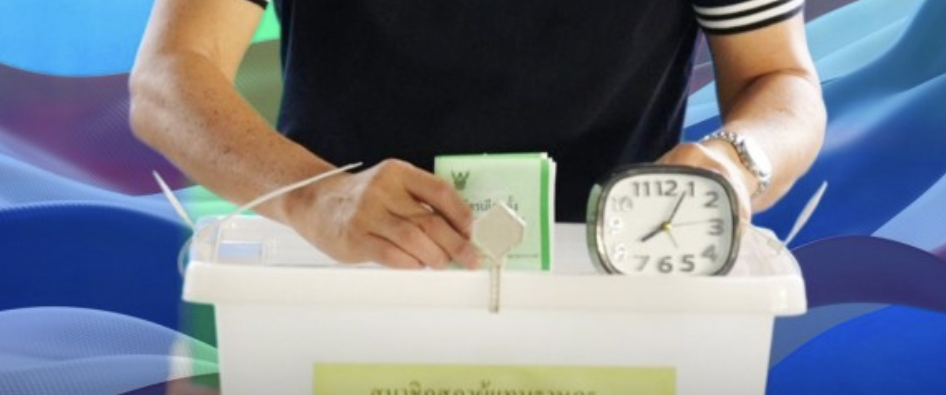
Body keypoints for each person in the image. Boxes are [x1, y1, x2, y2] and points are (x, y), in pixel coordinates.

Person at [130, 0, 825, 270]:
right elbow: (167, 76)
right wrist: (315, 196)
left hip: (611, 282)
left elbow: (781, 80)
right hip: (347, 274)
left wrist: (737, 162)